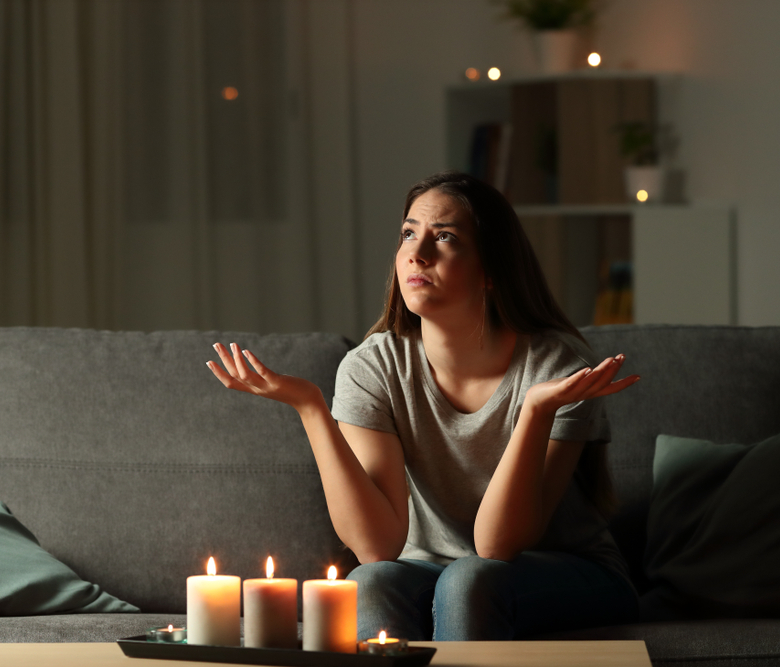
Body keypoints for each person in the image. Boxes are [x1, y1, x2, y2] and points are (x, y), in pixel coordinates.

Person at [207, 171, 641, 641]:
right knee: (368, 583)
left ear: (492, 269)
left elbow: (498, 545)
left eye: (446, 237)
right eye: (409, 233)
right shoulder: (373, 367)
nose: (417, 252)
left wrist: (535, 412)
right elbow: (377, 546)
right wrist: (311, 407)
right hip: (431, 572)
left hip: (567, 573)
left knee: (471, 579)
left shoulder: (556, 368)